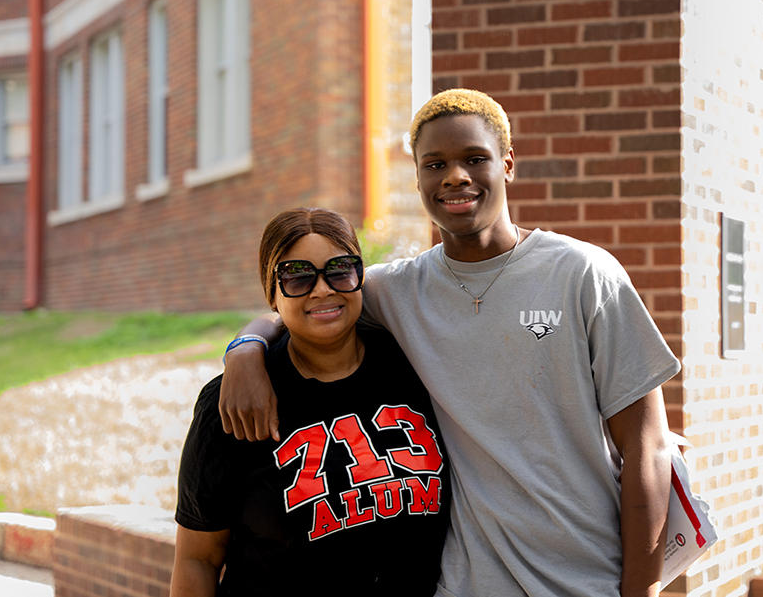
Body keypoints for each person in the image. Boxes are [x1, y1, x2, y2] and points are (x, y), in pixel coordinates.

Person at [219, 90, 681, 597]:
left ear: (507, 164)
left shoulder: (583, 274)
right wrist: (245, 349)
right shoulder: (396, 290)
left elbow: (648, 447)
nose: (455, 176)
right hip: (465, 584)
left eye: (474, 159)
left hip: (585, 578)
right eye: (434, 163)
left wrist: (642, 590)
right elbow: (309, 301)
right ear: (417, 178)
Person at [170, 207, 450, 597]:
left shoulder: (414, 366)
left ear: (360, 277)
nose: (322, 289)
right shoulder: (235, 401)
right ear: (272, 294)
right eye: (297, 276)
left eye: (339, 269)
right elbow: (197, 559)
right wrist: (246, 350)